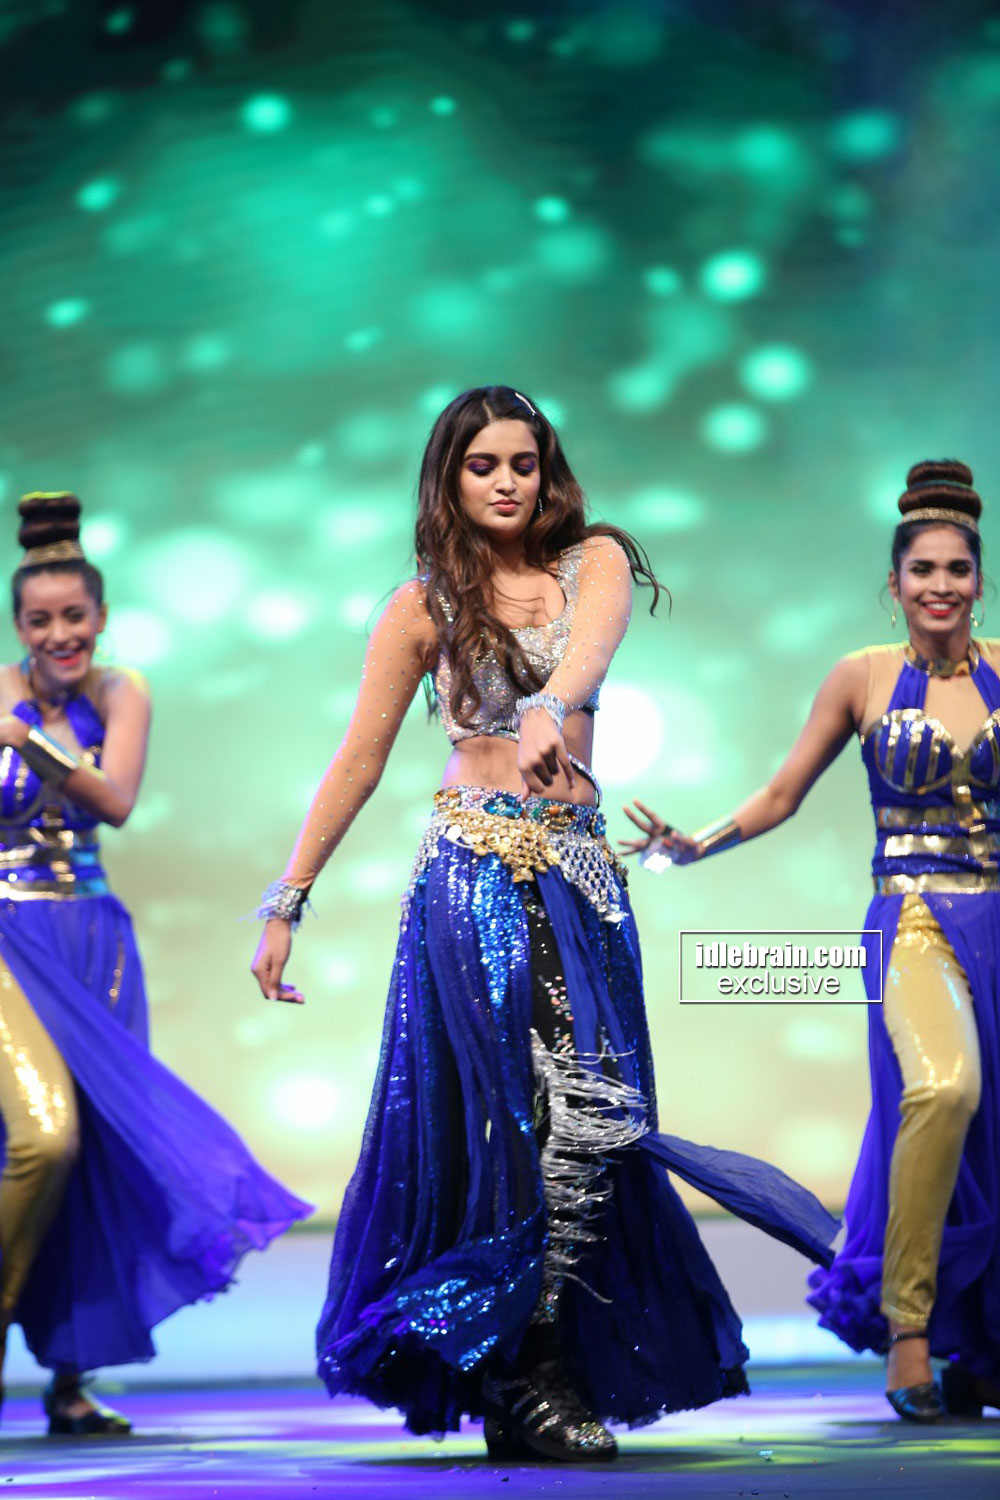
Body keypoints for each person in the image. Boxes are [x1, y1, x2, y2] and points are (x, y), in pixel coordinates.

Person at [251, 386, 837, 1462]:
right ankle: (530, 1374)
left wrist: (542, 707)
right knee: (511, 1118)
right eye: (483, 465)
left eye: (523, 462)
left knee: (592, 1118)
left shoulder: (592, 563)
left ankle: (543, 1353)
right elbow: (359, 760)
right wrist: (286, 900)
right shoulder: (419, 606)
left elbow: (588, 660)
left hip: (577, 876)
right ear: (449, 479)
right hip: (468, 878)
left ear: (548, 471)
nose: (507, 481)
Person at [622, 459, 1000, 1424]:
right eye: (923, 570)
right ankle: (909, 1327)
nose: (942, 586)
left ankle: (983, 1347)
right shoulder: (861, 676)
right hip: (913, 920)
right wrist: (695, 844)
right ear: (894, 583)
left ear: (980, 579)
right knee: (944, 1089)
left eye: (958, 569)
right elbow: (783, 792)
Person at [0, 492, 311, 1434]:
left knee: (96, 1156)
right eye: (40, 621)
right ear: (18, 627)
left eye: (75, 616)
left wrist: (30, 740)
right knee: (42, 1139)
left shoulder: (118, 692)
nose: (60, 635)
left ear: (101, 617)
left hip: (92, 939)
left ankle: (70, 1379)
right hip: (6, 936)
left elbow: (117, 801)